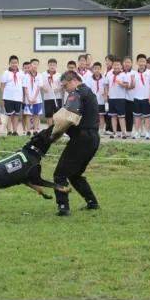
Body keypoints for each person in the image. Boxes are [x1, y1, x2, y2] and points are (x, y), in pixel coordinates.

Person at [53, 71, 100, 216]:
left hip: (82, 138)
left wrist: (55, 132)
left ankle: (63, 208)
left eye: (65, 85)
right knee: (74, 174)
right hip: (93, 139)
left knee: (60, 174)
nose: (65, 89)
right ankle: (92, 203)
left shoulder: (77, 93)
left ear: (73, 80)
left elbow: (68, 118)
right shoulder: (88, 92)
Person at [103, 59, 129, 138]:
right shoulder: (109, 74)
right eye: (115, 65)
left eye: (118, 65)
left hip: (120, 98)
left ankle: (123, 133)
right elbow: (106, 85)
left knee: (121, 116)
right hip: (112, 98)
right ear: (112, 66)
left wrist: (121, 83)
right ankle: (114, 132)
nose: (116, 66)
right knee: (113, 116)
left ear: (121, 66)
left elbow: (127, 85)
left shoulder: (123, 75)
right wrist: (106, 94)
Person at [0, 55, 23, 136]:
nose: (14, 64)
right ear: (9, 63)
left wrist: (22, 97)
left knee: (16, 115)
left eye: (16, 63)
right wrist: (2, 98)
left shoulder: (21, 73)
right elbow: (2, 86)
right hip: (8, 97)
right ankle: (9, 131)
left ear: (18, 63)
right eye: (12, 63)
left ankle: (15, 131)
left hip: (18, 98)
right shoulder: (6, 73)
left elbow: (23, 86)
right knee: (9, 115)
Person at [132, 54, 150, 140]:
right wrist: (132, 80)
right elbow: (132, 86)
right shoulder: (134, 73)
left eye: (143, 61)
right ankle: (137, 132)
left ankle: (147, 132)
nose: (141, 63)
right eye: (140, 61)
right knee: (137, 116)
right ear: (137, 62)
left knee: (147, 116)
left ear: (146, 63)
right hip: (136, 97)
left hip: (146, 98)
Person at [22, 58, 43, 135]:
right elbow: (25, 88)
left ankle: (35, 130)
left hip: (37, 99)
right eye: (33, 64)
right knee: (28, 114)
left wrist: (34, 98)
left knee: (36, 114)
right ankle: (28, 130)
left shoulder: (39, 75)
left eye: (37, 64)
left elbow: (38, 88)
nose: (35, 66)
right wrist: (28, 98)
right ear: (30, 65)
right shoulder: (26, 76)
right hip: (28, 99)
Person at [41, 58, 63, 126]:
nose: (52, 66)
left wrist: (58, 89)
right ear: (48, 65)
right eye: (50, 65)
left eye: (54, 65)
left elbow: (62, 85)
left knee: (57, 114)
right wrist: (43, 88)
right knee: (49, 114)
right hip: (47, 97)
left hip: (57, 97)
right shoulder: (43, 74)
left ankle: (57, 130)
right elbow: (40, 84)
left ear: (56, 66)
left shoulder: (59, 75)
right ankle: (49, 130)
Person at [88, 61, 106, 130]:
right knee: (93, 116)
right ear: (93, 70)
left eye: (98, 69)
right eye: (95, 68)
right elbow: (88, 90)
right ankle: (94, 129)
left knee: (101, 115)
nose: (97, 70)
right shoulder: (89, 79)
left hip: (101, 100)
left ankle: (101, 129)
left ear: (100, 69)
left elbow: (106, 88)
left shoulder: (104, 78)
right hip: (93, 101)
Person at [121, 57, 135, 135]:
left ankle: (129, 131)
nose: (127, 64)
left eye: (129, 62)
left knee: (129, 114)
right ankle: (121, 131)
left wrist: (126, 85)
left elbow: (133, 86)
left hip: (130, 98)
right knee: (121, 115)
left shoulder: (134, 73)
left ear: (131, 64)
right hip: (121, 97)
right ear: (123, 63)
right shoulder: (120, 73)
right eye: (125, 62)